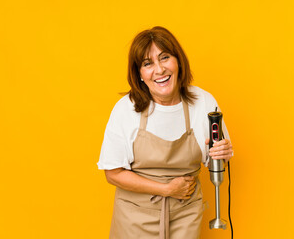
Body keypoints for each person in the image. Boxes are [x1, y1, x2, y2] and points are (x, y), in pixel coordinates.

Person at [97, 26, 233, 239]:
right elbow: (112, 173)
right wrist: (167, 189)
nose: (159, 70)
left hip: (185, 216)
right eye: (147, 63)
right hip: (134, 219)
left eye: (165, 58)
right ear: (140, 74)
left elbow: (215, 162)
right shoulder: (126, 109)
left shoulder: (203, 102)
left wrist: (221, 155)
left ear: (178, 61)